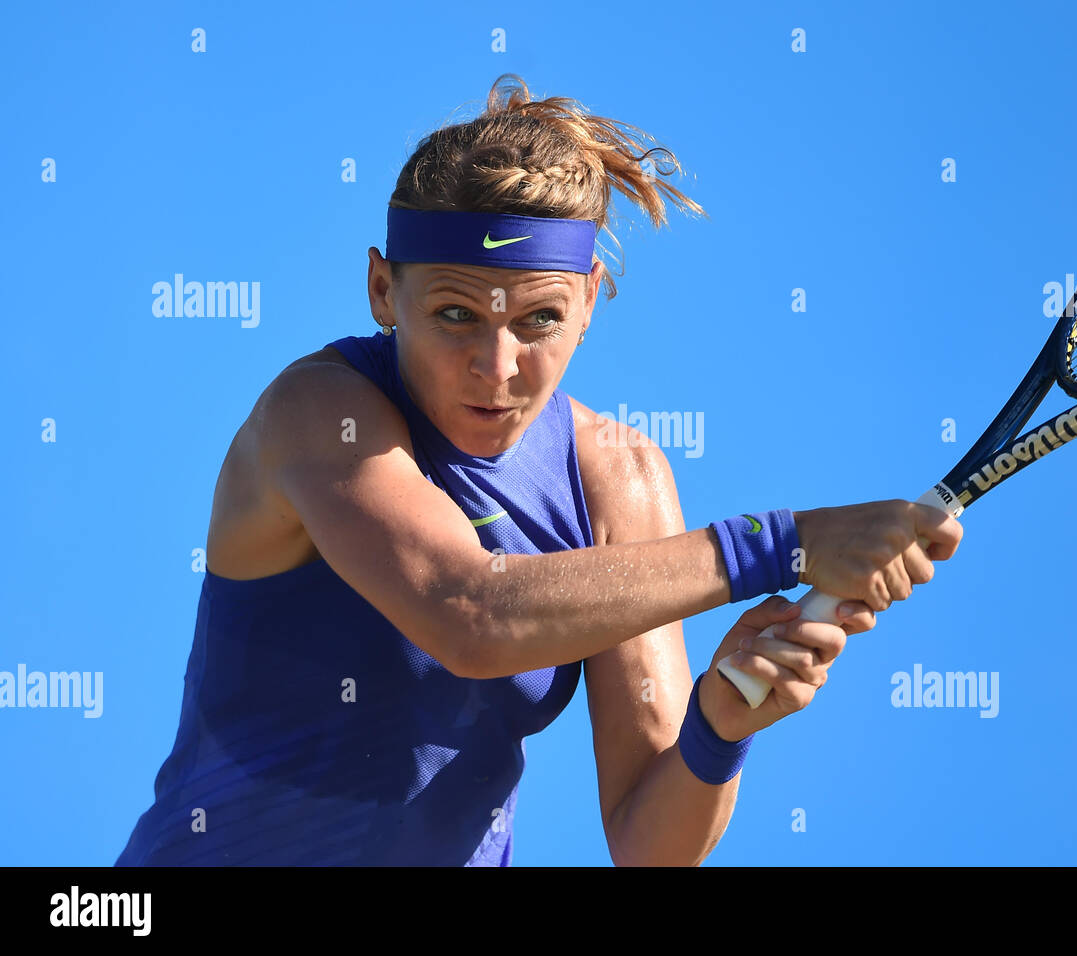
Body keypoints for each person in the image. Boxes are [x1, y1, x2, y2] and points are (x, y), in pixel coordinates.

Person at [114, 74, 962, 867]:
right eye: (452, 314)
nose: (496, 364)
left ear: (590, 300)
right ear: (381, 290)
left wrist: (718, 726)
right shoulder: (318, 413)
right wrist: (783, 546)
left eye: (539, 319)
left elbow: (651, 842)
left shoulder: (620, 477)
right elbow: (471, 612)